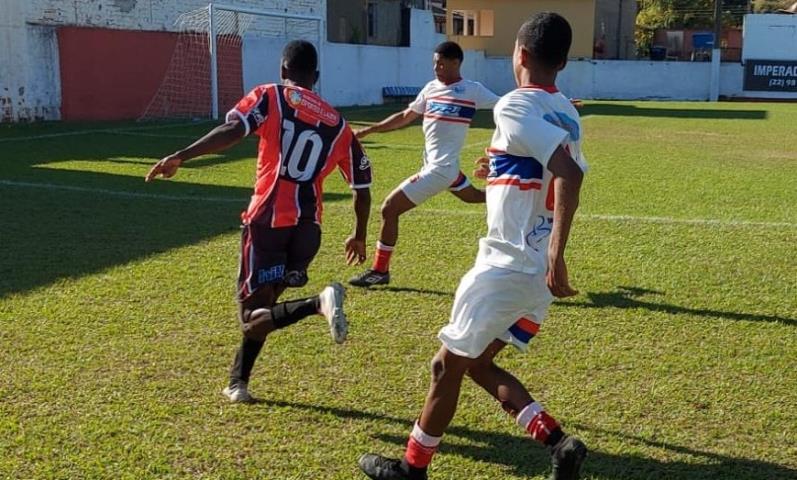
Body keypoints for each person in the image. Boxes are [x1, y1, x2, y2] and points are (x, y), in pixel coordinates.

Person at [358, 12, 588, 480]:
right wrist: (499, 168)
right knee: (479, 365)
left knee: (446, 366)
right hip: (532, 275)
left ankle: (411, 469)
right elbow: (543, 169)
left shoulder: (514, 105)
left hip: (508, 265)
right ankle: (559, 443)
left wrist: (556, 255)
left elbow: (569, 173)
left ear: (519, 55)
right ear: (562, 63)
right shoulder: (565, 109)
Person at [145, 40, 372, 403]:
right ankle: (238, 383)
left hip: (268, 223)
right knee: (264, 310)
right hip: (307, 232)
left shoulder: (271, 96)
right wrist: (359, 235)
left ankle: (319, 303)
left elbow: (234, 131)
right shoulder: (341, 126)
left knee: (252, 315)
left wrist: (182, 156)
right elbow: (362, 188)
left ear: (283, 71)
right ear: (316, 76)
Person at [348, 41, 500, 288]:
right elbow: (405, 117)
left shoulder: (472, 90)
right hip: (442, 168)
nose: (436, 68)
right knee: (475, 197)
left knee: (388, 209)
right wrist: (369, 130)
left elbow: (508, 104)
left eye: (441, 63)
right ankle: (509, 192)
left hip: (439, 171)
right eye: (434, 63)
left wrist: (555, 103)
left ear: (456, 63)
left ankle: (379, 270)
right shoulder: (430, 89)